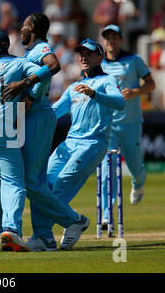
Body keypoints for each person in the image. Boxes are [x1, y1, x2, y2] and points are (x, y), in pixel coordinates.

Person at [1, 13, 91, 251]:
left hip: (38, 115)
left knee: (30, 181)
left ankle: (74, 221)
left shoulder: (41, 47)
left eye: (23, 26)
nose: (20, 30)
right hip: (32, 117)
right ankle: (44, 236)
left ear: (32, 27)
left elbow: (53, 65)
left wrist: (25, 86)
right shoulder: (31, 52)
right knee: (35, 181)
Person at [41, 38, 125, 247]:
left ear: (99, 56)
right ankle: (72, 223)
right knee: (45, 185)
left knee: (61, 185)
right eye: (81, 53)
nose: (84, 57)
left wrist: (95, 94)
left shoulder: (107, 80)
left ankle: (45, 235)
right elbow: (55, 113)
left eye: (89, 53)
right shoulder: (74, 86)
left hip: (92, 144)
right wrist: (32, 114)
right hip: (69, 144)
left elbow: (120, 103)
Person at [100, 25, 155, 227]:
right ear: (103, 41)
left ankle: (138, 183)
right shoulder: (99, 62)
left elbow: (151, 83)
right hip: (109, 125)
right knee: (108, 170)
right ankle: (107, 214)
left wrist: (136, 91)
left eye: (114, 38)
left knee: (135, 167)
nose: (111, 42)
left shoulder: (133, 60)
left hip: (131, 123)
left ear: (121, 40)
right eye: (107, 38)